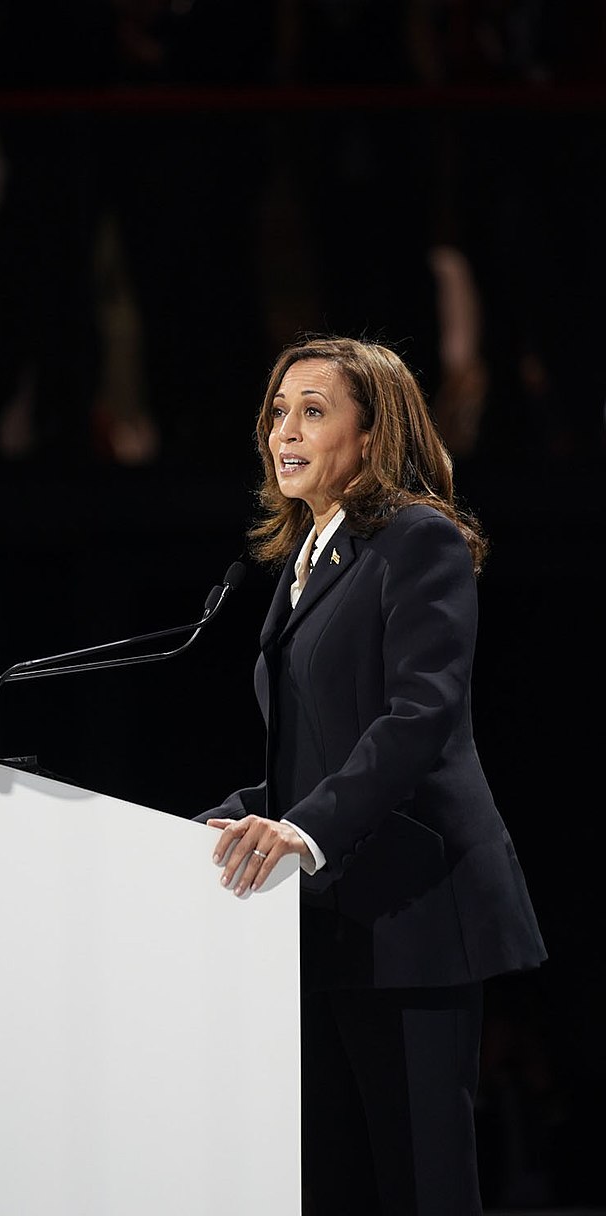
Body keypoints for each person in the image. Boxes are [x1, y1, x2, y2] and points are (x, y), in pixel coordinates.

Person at [193, 334, 547, 1216]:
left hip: (418, 911)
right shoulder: (304, 566)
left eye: (313, 411)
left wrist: (301, 829)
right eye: (279, 411)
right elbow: (318, 747)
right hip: (335, 921)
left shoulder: (416, 541)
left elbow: (419, 716)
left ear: (373, 432)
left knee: (424, 1186)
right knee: (338, 1183)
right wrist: (234, 816)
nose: (286, 431)